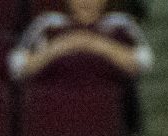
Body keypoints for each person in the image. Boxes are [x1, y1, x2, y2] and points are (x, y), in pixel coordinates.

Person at [9, 0, 153, 81]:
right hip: (54, 106)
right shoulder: (48, 24)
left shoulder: (120, 24)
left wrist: (93, 43)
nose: (86, 1)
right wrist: (64, 45)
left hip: (107, 110)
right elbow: (18, 66)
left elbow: (143, 63)